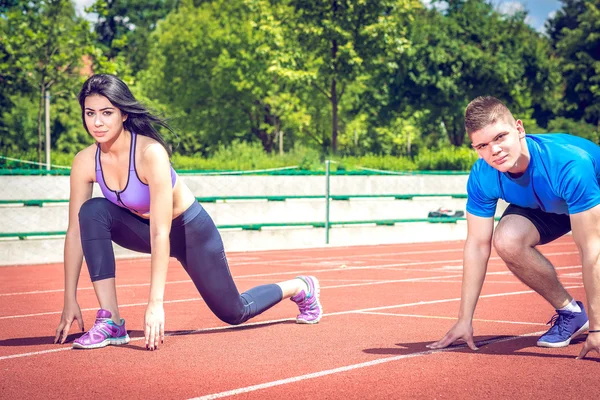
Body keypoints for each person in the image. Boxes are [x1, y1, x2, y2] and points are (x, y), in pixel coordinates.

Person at [53, 74, 322, 350]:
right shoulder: (85, 161)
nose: (97, 122)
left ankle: (300, 287)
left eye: (107, 112)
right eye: (90, 113)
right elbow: (75, 233)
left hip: (191, 232)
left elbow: (161, 231)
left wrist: (155, 303)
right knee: (91, 211)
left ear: (123, 114)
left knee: (235, 312)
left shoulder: (150, 153)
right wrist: (69, 298)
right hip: (142, 229)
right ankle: (111, 320)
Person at [427, 96, 600, 360]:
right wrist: (464, 319)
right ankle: (571, 314)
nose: (493, 151)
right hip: (547, 205)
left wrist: (598, 330)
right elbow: (476, 245)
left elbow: (591, 250)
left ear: (519, 129)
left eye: (500, 137)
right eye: (482, 145)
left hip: (588, 195)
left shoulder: (568, 164)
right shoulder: (483, 175)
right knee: (507, 239)